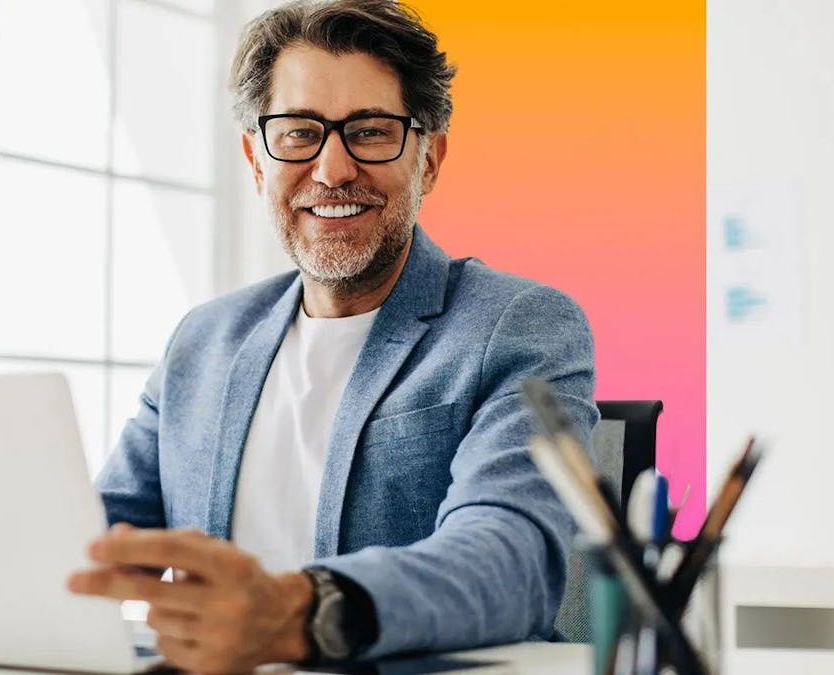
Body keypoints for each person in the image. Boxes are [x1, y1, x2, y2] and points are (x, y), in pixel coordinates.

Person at [67, 1, 597, 672]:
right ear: (257, 161)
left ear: (429, 159)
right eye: (298, 133)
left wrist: (299, 611)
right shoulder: (203, 341)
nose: (333, 168)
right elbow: (93, 541)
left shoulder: (515, 325)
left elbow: (510, 557)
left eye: (371, 132)